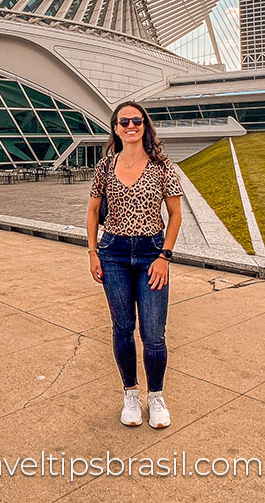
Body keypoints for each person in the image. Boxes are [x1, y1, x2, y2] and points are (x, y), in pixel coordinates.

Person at [86, 100, 183, 429]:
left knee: (154, 333)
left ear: (145, 126)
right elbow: (91, 211)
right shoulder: (105, 167)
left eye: (137, 121)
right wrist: (92, 252)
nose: (131, 126)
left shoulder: (162, 166)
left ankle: (155, 397)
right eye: (124, 121)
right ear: (115, 128)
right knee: (123, 329)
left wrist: (164, 256)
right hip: (112, 253)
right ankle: (131, 393)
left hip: (151, 253)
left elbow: (176, 215)